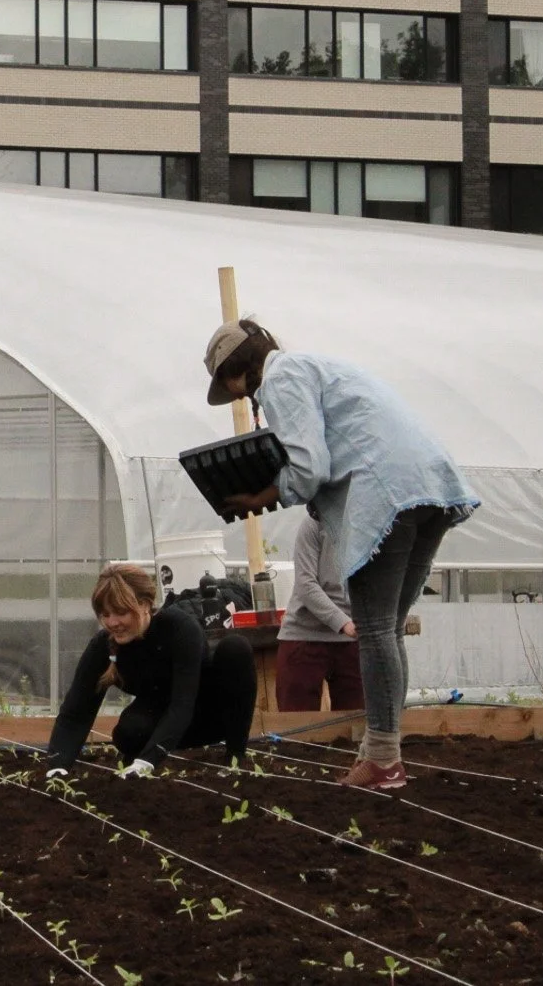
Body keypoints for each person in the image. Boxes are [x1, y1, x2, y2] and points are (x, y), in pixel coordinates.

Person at [204, 320, 478, 790]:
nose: (235, 396)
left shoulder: (281, 380)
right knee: (388, 630)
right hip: (429, 486)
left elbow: (310, 468)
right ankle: (381, 751)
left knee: (373, 631)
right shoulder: (316, 366)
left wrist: (264, 494)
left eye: (228, 385)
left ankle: (385, 760)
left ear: (237, 372)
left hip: (383, 493)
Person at [43, 563, 257, 778]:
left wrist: (146, 761)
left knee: (235, 649)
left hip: (210, 714)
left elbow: (182, 704)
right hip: (162, 717)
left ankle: (235, 757)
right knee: (128, 733)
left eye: (120, 612)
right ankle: (145, 752)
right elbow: (76, 712)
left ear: (145, 604)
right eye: (105, 614)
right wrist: (57, 767)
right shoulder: (103, 645)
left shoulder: (180, 629)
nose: (112, 622)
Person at [277, 513, 364, 712]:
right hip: (304, 636)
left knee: (355, 724)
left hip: (354, 641)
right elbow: (306, 584)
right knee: (296, 729)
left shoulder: (372, 525)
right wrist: (344, 623)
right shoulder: (313, 523)